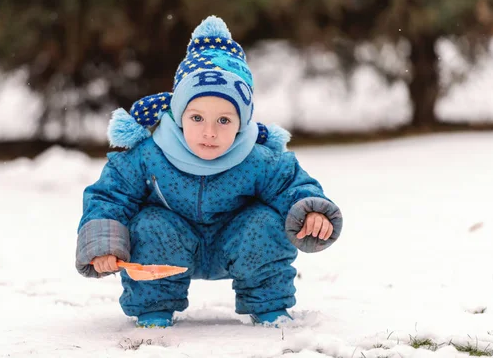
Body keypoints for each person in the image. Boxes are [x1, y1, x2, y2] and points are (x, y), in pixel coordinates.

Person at [75, 16, 343, 328]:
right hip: (170, 244)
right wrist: (104, 244)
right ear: (178, 114)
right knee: (149, 224)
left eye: (224, 121)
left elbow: (291, 184)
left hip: (237, 240)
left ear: (242, 122)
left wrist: (311, 212)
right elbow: (110, 194)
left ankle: (269, 306)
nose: (210, 132)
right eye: (197, 118)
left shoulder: (257, 158)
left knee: (267, 222)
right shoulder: (150, 155)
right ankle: (154, 309)